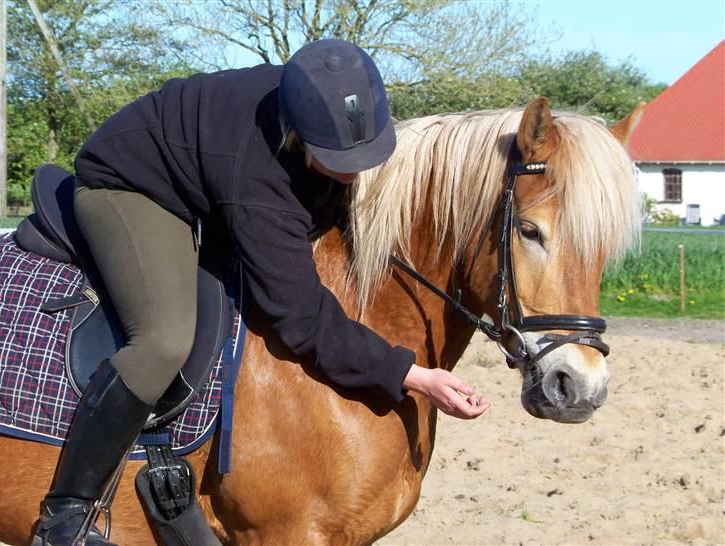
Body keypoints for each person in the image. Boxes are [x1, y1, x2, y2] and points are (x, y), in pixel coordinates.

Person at [31, 39, 489, 546]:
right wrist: (412, 373)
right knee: (162, 339)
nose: (357, 170)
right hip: (128, 184)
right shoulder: (256, 178)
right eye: (340, 158)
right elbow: (300, 317)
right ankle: (66, 515)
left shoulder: (330, 104)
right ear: (297, 135)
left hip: (209, 177)